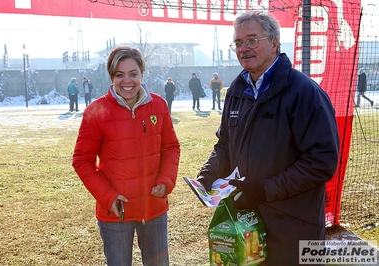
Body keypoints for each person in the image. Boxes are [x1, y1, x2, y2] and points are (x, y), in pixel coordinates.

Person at [196, 12, 339, 265]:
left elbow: (322, 161)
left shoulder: (304, 92)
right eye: (238, 42)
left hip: (295, 226)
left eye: (252, 40)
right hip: (248, 222)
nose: (244, 49)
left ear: (274, 43)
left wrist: (264, 190)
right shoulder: (236, 91)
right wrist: (209, 173)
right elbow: (226, 144)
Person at [72, 46, 180, 266]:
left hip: (154, 207)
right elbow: (82, 161)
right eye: (119, 74)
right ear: (111, 76)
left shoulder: (158, 105)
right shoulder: (96, 111)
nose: (127, 80)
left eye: (133, 73)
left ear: (141, 73)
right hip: (116, 211)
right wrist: (108, 197)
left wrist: (166, 181)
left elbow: (171, 148)